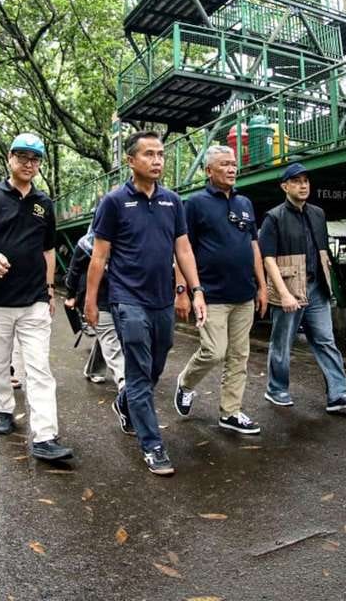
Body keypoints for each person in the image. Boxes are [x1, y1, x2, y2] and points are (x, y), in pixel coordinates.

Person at [85, 130, 207, 476]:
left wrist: (195, 290)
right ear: (131, 160)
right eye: (149, 154)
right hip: (127, 299)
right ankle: (152, 445)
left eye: (160, 154)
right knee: (139, 371)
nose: (157, 160)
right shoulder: (114, 202)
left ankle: (125, 403)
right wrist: (91, 301)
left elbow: (183, 249)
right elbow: (99, 256)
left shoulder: (173, 201)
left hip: (161, 299)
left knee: (157, 362)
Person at [0, 132, 72, 462]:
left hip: (34, 300)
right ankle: (3, 408)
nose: (29, 164)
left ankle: (45, 437)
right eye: (23, 157)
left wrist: (49, 289)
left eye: (35, 159)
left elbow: (48, 249)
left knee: (39, 368)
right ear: (10, 158)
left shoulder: (44, 203)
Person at [172, 145, 267, 435]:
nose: (231, 169)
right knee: (214, 351)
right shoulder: (195, 203)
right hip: (210, 294)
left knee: (239, 356)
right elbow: (182, 248)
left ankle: (231, 412)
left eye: (233, 164)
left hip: (244, 294)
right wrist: (183, 290)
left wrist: (262, 287)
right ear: (208, 170)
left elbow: (253, 246)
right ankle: (185, 383)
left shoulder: (244, 202)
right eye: (224, 164)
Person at [258, 162, 346, 412]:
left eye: (305, 181)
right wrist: (283, 293)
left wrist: (332, 286)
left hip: (317, 287)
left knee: (326, 340)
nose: (303, 185)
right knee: (282, 342)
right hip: (289, 287)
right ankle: (276, 389)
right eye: (296, 181)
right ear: (285, 187)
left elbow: (323, 252)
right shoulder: (274, 217)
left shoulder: (318, 214)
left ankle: (338, 394)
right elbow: (268, 259)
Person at [64, 229, 125, 388]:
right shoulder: (87, 243)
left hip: (118, 295)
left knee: (107, 334)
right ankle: (125, 382)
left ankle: (94, 369)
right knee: (110, 336)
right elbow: (74, 270)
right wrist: (70, 295)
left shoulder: (127, 241)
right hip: (95, 297)